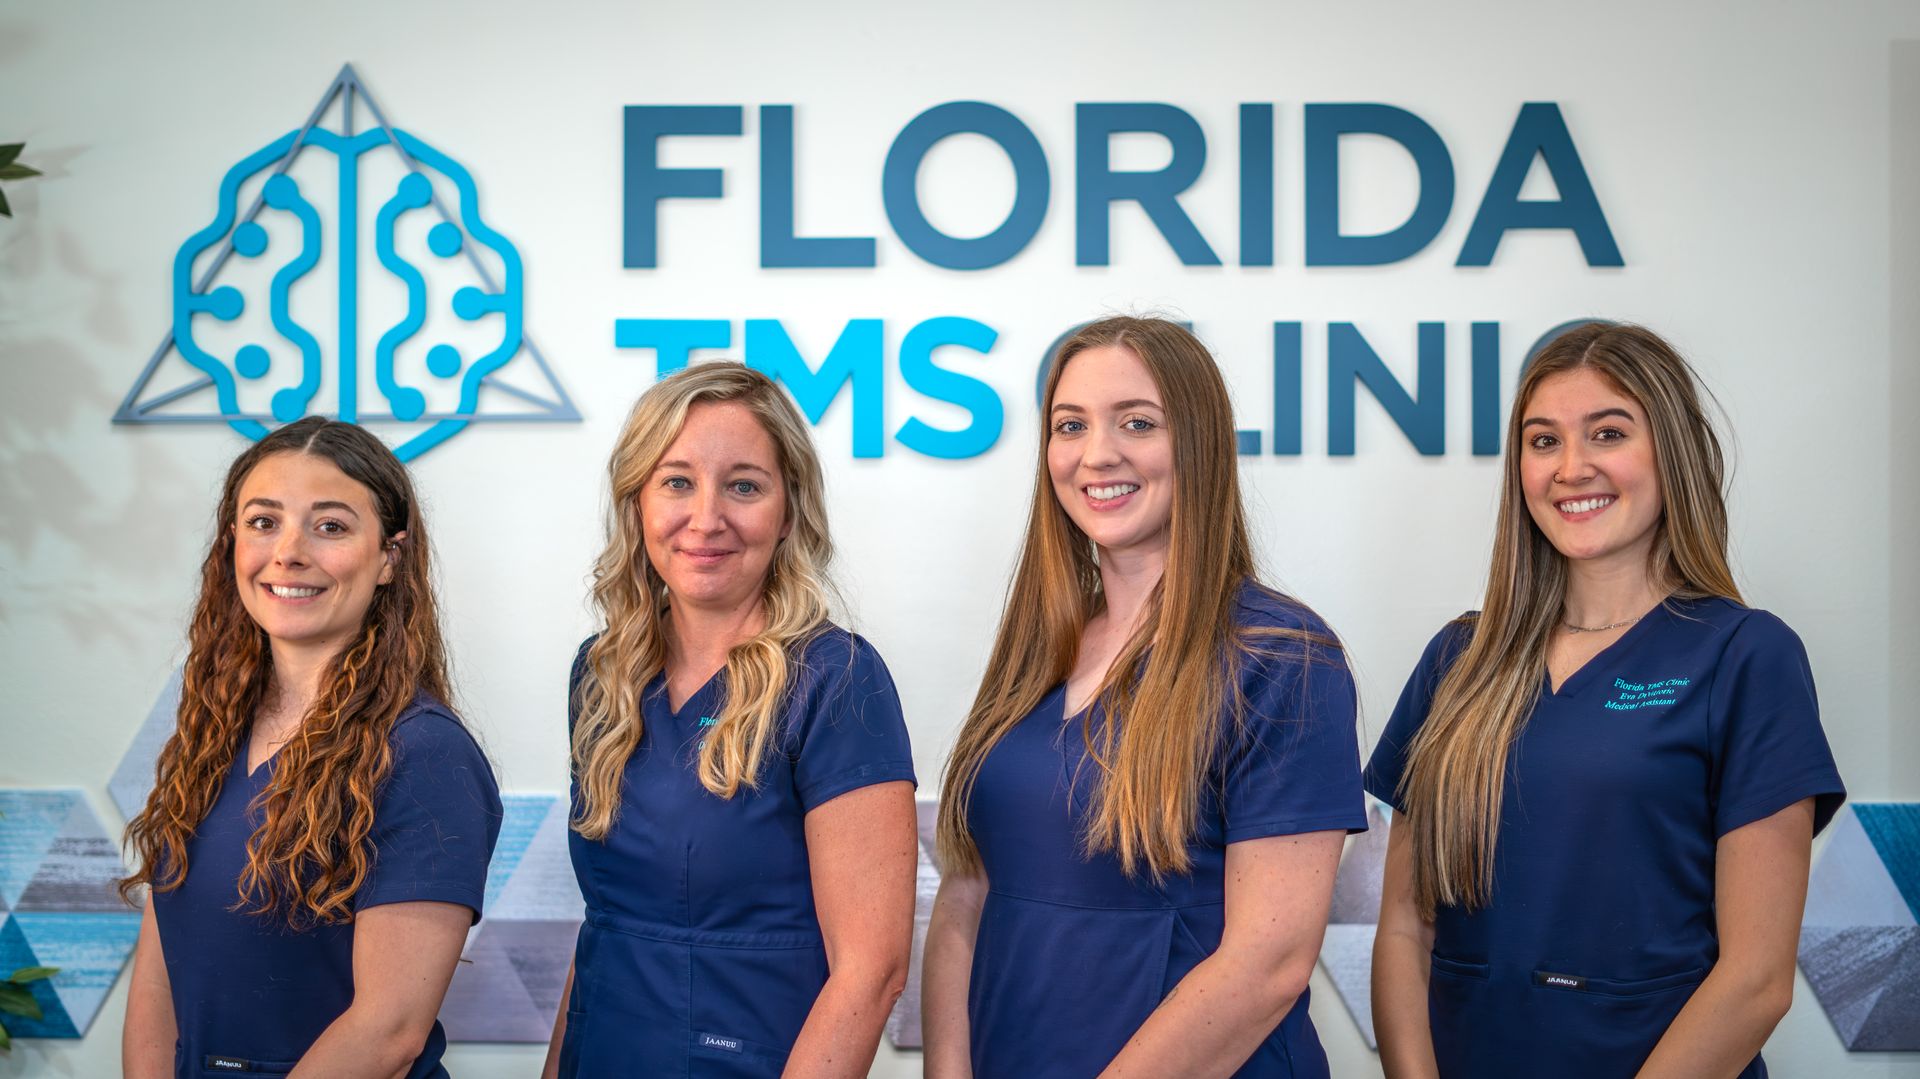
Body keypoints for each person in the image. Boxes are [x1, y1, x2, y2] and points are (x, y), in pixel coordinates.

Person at [1366, 322, 1846, 1078]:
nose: (1571, 467)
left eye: (1608, 432)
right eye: (1544, 440)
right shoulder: (1459, 661)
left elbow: (1757, 981)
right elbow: (1402, 930)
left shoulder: (1746, 655)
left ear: (1672, 453)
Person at [921, 316, 1367, 1078]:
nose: (1098, 453)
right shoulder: (1038, 653)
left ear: (1197, 442)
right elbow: (969, 890)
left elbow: (1270, 962)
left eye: (1138, 422)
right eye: (1071, 425)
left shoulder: (1283, 657)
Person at [543, 362, 917, 1079]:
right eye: (677, 481)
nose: (706, 517)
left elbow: (873, 972)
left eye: (744, 485)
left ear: (787, 513)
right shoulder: (604, 674)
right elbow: (607, 927)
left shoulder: (836, 681)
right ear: (637, 504)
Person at [120, 417, 503, 1079]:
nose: (288, 552)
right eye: (264, 521)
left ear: (389, 556)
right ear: (231, 541)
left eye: (330, 526)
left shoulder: (424, 753)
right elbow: (158, 979)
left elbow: (389, 1030)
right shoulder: (211, 729)